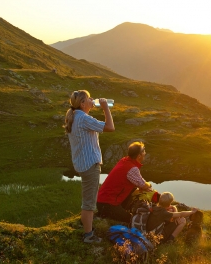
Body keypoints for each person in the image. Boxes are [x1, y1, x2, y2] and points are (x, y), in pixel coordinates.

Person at [64, 90, 115, 243]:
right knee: (89, 203)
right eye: (89, 98)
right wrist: (105, 107)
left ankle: (87, 228)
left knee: (88, 199)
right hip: (89, 165)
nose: (92, 100)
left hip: (82, 163)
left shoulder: (75, 116)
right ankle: (88, 235)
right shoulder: (84, 118)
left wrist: (94, 106)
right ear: (82, 103)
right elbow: (110, 127)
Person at [97, 141, 152, 223]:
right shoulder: (132, 169)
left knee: (134, 188)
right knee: (131, 219)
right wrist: (149, 185)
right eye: (143, 151)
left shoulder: (124, 161)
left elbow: (138, 183)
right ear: (139, 156)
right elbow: (144, 185)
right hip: (108, 204)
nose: (145, 152)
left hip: (103, 201)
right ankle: (105, 214)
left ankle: (118, 209)